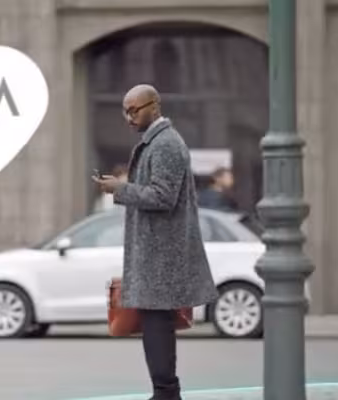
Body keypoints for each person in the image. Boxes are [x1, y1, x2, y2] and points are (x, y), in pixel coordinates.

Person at [93, 84, 218, 400]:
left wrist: (120, 188)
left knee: (157, 327)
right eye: (125, 111)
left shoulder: (165, 144)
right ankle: (165, 392)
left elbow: (163, 197)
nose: (129, 117)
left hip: (162, 255)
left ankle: (166, 393)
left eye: (134, 110)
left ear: (155, 106)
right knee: (155, 326)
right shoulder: (156, 142)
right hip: (156, 253)